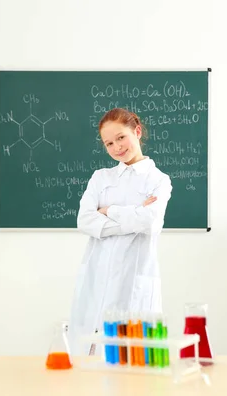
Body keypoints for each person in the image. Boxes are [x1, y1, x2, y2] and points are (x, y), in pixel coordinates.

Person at [67, 107, 172, 356]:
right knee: (88, 356)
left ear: (136, 131)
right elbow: (84, 221)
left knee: (129, 359)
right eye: (109, 143)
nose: (117, 147)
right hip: (97, 274)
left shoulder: (158, 180)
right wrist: (133, 214)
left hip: (134, 278)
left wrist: (109, 210)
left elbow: (150, 223)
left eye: (121, 137)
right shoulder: (100, 177)